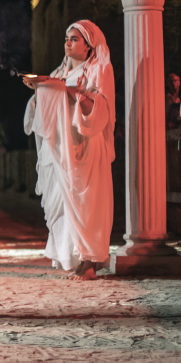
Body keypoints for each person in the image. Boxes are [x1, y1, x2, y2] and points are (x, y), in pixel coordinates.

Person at [23, 20, 115, 281]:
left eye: (74, 39)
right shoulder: (59, 72)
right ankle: (74, 257)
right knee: (64, 203)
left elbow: (101, 108)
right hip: (60, 146)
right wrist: (39, 91)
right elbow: (45, 105)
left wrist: (72, 93)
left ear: (88, 46)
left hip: (85, 144)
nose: (68, 42)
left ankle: (90, 262)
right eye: (66, 38)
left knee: (86, 202)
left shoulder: (98, 70)